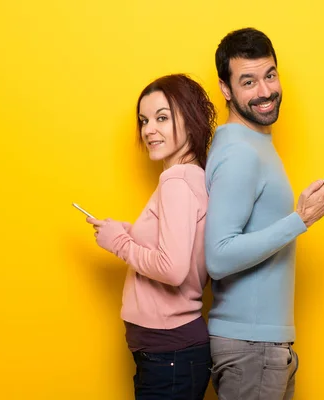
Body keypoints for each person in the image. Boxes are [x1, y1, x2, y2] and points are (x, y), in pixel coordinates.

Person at [205, 28, 324, 399]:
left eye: (270, 75)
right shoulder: (240, 152)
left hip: (264, 345)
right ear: (226, 89)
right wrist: (300, 219)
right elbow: (218, 256)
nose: (265, 91)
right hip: (251, 346)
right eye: (248, 81)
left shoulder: (255, 144)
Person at [86, 74, 217, 400]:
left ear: (190, 120)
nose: (148, 130)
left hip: (169, 354)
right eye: (144, 120)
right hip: (169, 353)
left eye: (162, 118)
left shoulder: (176, 182)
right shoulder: (194, 178)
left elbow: (173, 270)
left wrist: (119, 243)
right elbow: (183, 251)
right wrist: (126, 233)